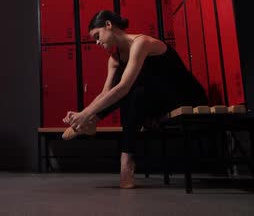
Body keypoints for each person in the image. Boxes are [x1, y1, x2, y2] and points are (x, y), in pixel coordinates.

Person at [62, 10, 207, 189]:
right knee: (135, 93)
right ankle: (95, 127)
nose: (97, 42)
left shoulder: (142, 43)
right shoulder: (114, 58)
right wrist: (82, 113)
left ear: (109, 25)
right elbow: (105, 93)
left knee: (131, 89)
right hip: (155, 101)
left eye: (97, 35)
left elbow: (123, 88)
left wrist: (86, 114)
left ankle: (124, 159)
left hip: (184, 96)